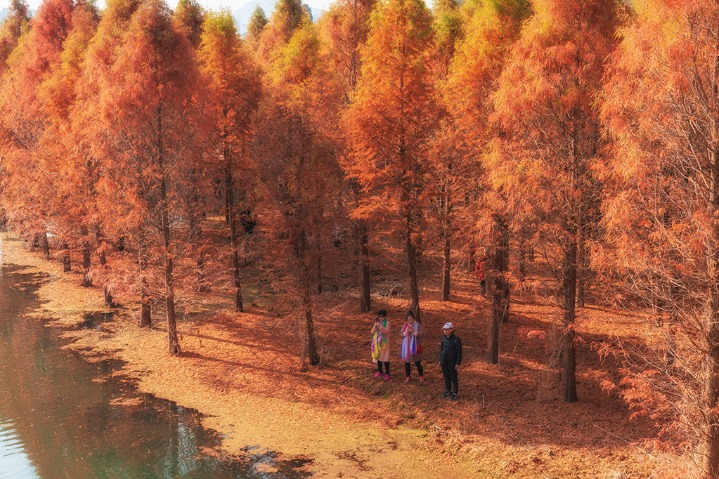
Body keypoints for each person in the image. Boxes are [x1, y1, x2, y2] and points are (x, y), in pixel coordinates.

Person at [439, 322, 462, 401]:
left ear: (451, 330)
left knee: (453, 377)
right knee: (446, 376)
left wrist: (458, 363)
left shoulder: (456, 339)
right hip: (444, 360)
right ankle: (448, 390)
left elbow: (459, 352)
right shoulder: (443, 338)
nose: (445, 331)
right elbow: (441, 349)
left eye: (446, 329)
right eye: (444, 330)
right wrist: (440, 359)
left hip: (452, 361)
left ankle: (455, 392)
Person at [400, 310, 424, 383]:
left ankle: (421, 376)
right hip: (407, 347)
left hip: (415, 346)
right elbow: (400, 334)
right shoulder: (405, 326)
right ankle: (407, 376)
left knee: (417, 362)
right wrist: (405, 333)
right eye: (408, 320)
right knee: (407, 363)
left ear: (413, 319)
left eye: (411, 319)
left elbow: (422, 334)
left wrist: (415, 332)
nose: (410, 321)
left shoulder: (418, 325)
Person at [371, 309, 391, 380]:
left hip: (385, 343)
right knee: (379, 358)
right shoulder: (376, 323)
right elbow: (372, 332)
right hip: (377, 343)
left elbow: (386, 331)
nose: (381, 318)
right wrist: (376, 326)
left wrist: (380, 326)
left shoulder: (387, 323)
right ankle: (379, 371)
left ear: (385, 317)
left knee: (385, 359)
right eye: (379, 317)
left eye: (382, 317)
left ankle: (387, 373)